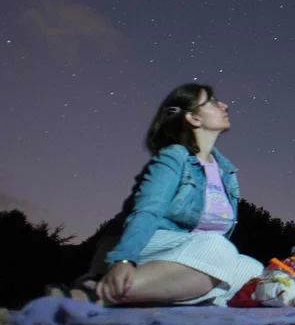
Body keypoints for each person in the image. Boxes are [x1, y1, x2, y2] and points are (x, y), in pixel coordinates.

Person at [50, 83, 262, 306]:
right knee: (217, 247)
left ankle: (145, 294)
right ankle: (95, 294)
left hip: (193, 253)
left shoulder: (226, 171)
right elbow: (148, 210)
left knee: (252, 271)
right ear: (194, 119)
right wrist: (123, 258)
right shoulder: (174, 157)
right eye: (211, 101)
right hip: (146, 244)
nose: (223, 105)